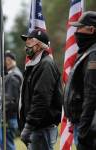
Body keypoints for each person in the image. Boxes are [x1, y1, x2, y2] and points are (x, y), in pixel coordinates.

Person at [18, 29, 63, 150]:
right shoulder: (35, 65)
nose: (26, 46)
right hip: (38, 128)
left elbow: (41, 98)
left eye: (29, 43)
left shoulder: (46, 65)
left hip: (42, 129)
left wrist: (29, 125)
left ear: (38, 46)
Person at [64, 11, 96, 150]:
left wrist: (83, 128)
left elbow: (91, 95)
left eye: (80, 27)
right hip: (82, 124)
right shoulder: (87, 51)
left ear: (92, 30)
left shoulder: (93, 54)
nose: (76, 31)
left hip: (88, 128)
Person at [4, 50, 23, 150]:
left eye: (8, 59)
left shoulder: (14, 76)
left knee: (8, 143)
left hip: (9, 116)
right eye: (6, 59)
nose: (6, 61)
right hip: (10, 116)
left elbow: (11, 100)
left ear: (13, 61)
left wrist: (3, 113)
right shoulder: (12, 74)